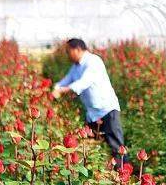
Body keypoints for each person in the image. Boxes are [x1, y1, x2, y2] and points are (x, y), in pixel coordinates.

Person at [52, 38, 128, 168]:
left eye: (68, 51)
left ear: (78, 49)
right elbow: (67, 79)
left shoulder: (93, 61)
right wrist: (56, 87)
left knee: (117, 147)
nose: (67, 54)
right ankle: (100, 173)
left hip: (107, 110)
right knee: (90, 146)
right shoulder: (76, 66)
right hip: (92, 113)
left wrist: (62, 90)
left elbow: (84, 82)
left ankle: (124, 175)